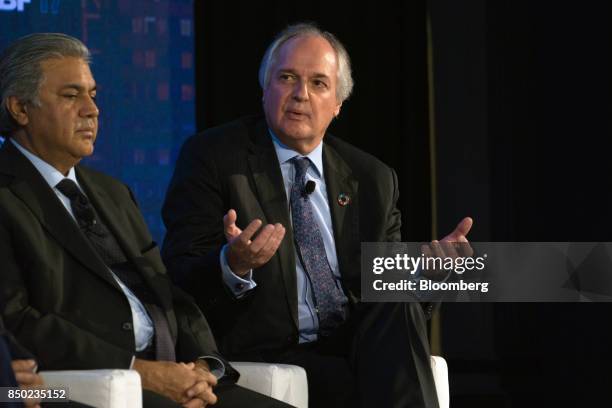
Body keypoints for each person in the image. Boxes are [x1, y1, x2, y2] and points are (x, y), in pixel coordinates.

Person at [162, 23, 472, 407]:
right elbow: (179, 274)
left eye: (318, 83)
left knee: (396, 296)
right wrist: (233, 265)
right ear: (265, 89)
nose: (300, 95)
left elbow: (389, 300)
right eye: (287, 78)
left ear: (338, 103)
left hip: (355, 343)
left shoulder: (372, 177)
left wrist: (426, 277)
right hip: (269, 348)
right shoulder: (212, 157)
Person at [0, 33, 290, 408]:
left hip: (176, 372)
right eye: (71, 96)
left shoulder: (113, 193)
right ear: (21, 109)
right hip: (97, 384)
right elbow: (17, 320)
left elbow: (166, 293)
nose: (92, 110)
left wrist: (203, 364)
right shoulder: (7, 196)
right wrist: (142, 372)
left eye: (93, 94)